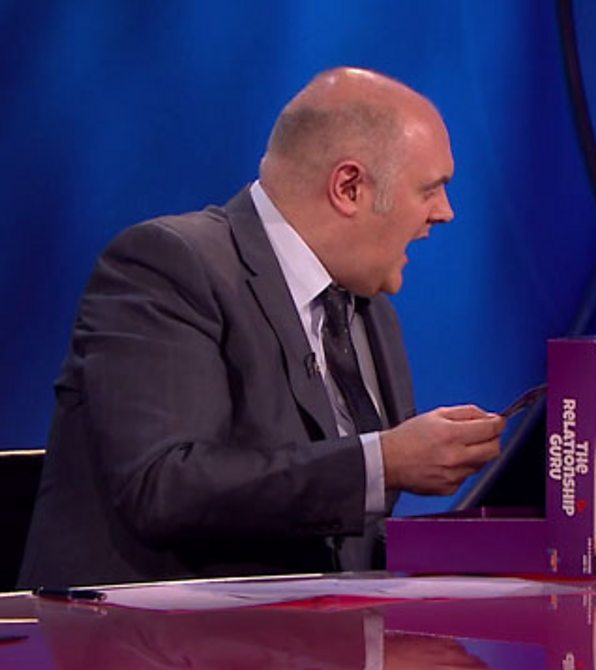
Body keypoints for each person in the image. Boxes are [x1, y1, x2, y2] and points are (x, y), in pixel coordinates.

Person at [19, 67, 506, 587]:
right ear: (349, 187)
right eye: (430, 190)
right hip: (152, 630)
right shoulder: (167, 266)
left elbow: (346, 539)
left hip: (323, 629)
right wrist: (383, 462)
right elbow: (163, 487)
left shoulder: (369, 308)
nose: (445, 213)